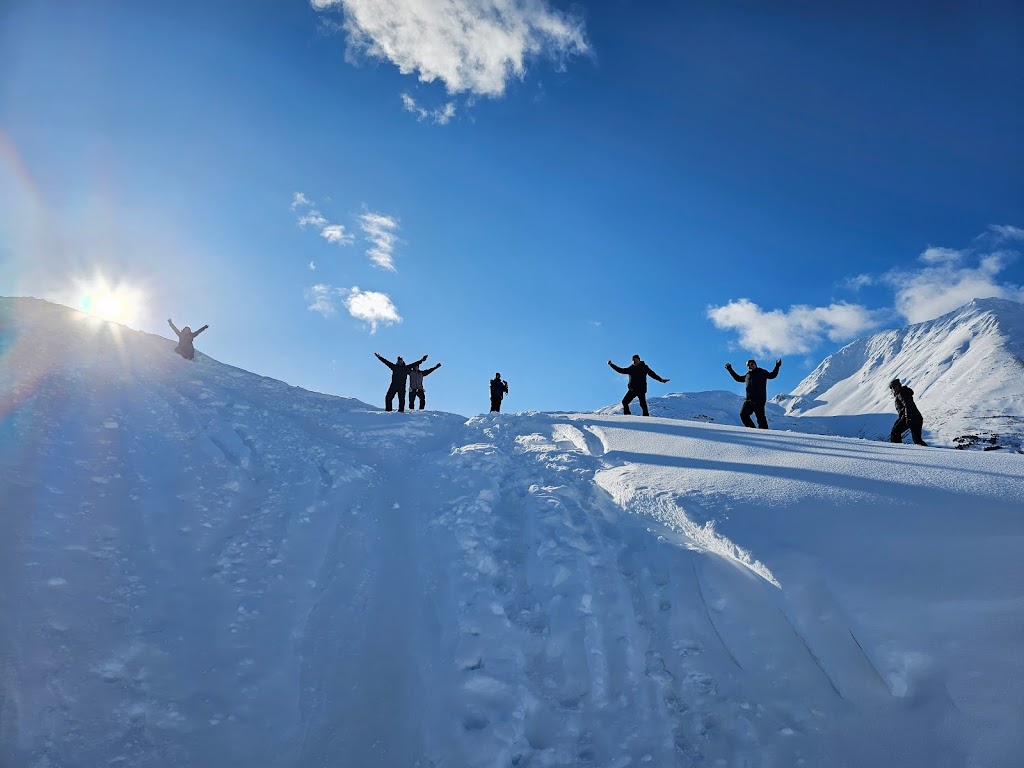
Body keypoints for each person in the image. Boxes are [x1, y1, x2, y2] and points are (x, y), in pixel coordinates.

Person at [724, 358, 781, 429]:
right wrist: (730, 369)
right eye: (748, 365)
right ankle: (752, 430)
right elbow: (738, 378)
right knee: (743, 415)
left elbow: (772, 375)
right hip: (749, 400)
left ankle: (764, 434)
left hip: (759, 400)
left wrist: (777, 366)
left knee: (761, 418)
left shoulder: (762, 372)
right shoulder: (747, 375)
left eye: (752, 364)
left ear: (755, 364)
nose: (750, 366)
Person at [889, 377, 927, 446]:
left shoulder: (901, 393)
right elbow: (904, 408)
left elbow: (907, 405)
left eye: (894, 386)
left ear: (898, 385)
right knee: (918, 441)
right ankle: (929, 454)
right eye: (891, 387)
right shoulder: (903, 392)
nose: (893, 389)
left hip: (911, 417)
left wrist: (908, 418)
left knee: (895, 432)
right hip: (916, 418)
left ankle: (896, 451)